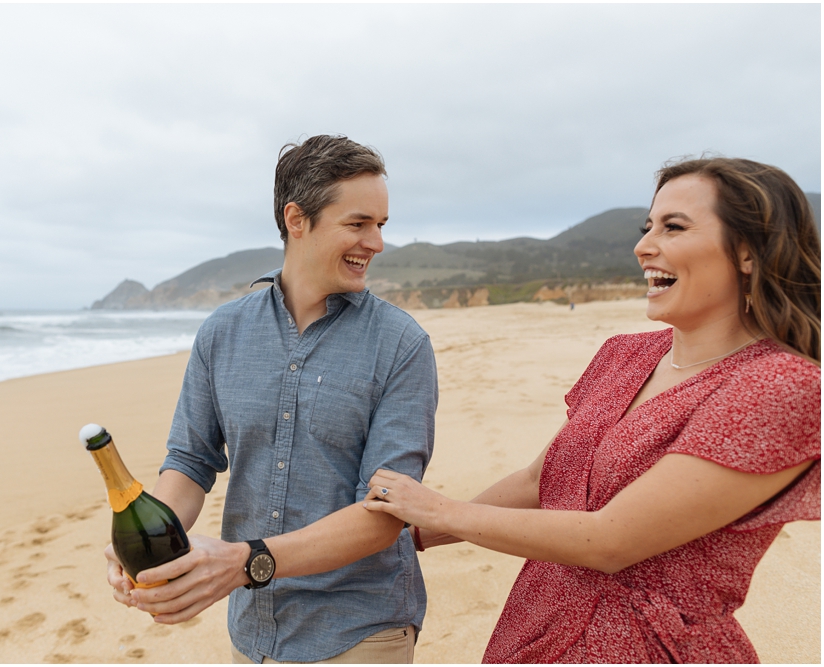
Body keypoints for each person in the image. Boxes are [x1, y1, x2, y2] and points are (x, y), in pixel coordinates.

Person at [363, 157, 820, 663]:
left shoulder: (782, 385)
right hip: (535, 626)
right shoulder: (625, 354)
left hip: (646, 648)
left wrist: (439, 507)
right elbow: (542, 481)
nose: (644, 246)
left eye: (674, 227)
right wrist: (412, 538)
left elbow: (612, 540)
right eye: (647, 227)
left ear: (748, 251)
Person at [105, 135, 438, 663]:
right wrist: (146, 548)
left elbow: (386, 512)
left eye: (381, 225)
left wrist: (245, 562)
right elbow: (190, 464)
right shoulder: (222, 332)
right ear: (296, 218)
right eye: (358, 224)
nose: (375, 242)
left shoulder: (402, 345)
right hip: (252, 631)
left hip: (360, 630)